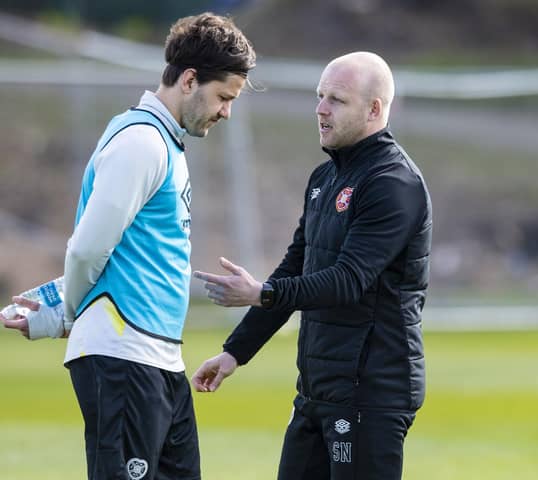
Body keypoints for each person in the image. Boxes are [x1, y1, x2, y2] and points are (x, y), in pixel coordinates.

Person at [1, 12, 255, 480]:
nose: (226, 112)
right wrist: (69, 313)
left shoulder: (165, 144)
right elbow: (85, 249)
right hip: (124, 358)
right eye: (223, 97)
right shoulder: (142, 142)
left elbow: (119, 252)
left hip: (158, 361)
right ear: (189, 79)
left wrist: (61, 305)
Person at [191, 51, 432, 480]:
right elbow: (295, 269)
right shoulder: (324, 179)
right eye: (320, 96)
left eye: (336, 99)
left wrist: (262, 292)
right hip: (319, 388)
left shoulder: (393, 184)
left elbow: (348, 281)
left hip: (370, 391)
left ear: (374, 109)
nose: (320, 109)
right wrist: (234, 353)